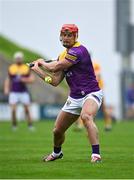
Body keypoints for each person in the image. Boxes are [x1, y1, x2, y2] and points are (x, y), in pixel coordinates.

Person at [30, 24, 103, 163]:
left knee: (86, 116)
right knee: (57, 131)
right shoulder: (63, 55)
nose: (66, 38)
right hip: (74, 97)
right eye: (64, 35)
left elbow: (56, 67)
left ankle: (96, 155)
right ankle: (57, 153)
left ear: (76, 36)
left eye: (70, 35)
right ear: (60, 37)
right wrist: (37, 70)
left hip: (91, 93)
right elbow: (54, 81)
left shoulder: (78, 51)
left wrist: (41, 62)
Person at [4, 51, 35, 130]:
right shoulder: (11, 67)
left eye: (19, 58)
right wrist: (6, 88)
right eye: (17, 58)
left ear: (22, 59)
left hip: (23, 92)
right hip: (13, 92)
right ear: (15, 59)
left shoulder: (25, 67)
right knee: (13, 110)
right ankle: (14, 125)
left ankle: (30, 125)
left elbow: (32, 79)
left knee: (27, 109)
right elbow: (8, 79)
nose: (18, 59)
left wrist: (24, 80)